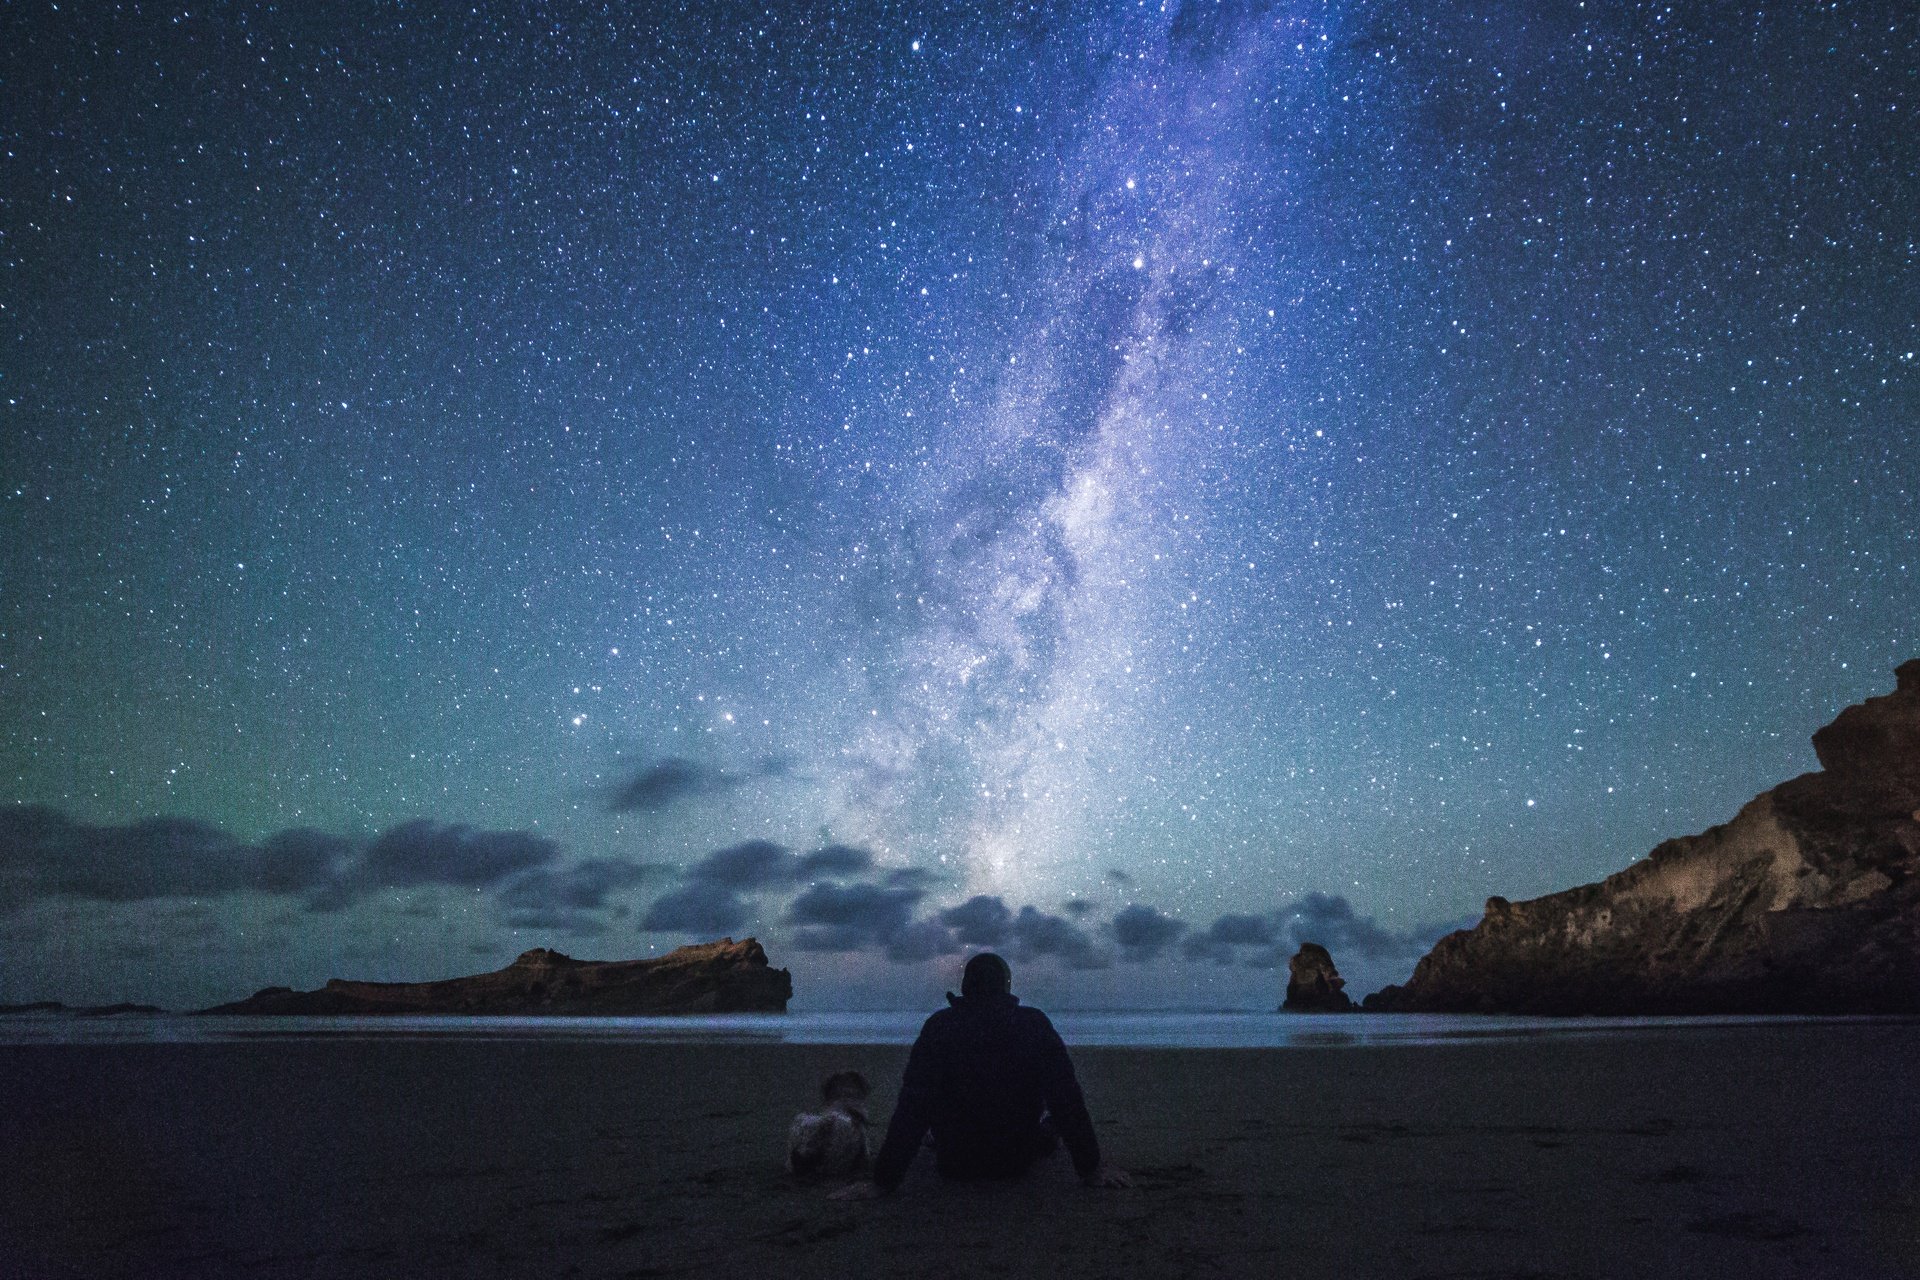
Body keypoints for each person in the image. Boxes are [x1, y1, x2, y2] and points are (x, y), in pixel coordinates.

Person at [830, 952, 1131, 1199]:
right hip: (1015, 1158)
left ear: (965, 986)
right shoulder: (1034, 1025)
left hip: (955, 1161)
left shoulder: (939, 1027)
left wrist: (883, 1181)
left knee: (933, 1113)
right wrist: (1091, 1169)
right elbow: (1066, 1098)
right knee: (1051, 1121)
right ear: (1007, 986)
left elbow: (913, 1107)